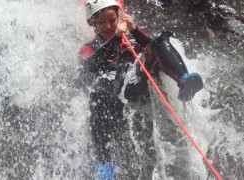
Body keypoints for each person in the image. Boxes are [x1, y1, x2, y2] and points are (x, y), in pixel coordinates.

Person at [78, 0, 203, 179]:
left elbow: (153, 48)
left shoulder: (130, 39)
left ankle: (183, 79)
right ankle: (105, 165)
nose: (107, 26)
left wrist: (135, 30)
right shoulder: (89, 48)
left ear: (119, 18)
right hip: (115, 94)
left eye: (112, 21)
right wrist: (115, 38)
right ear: (93, 23)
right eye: (102, 22)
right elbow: (88, 66)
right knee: (97, 92)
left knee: (160, 41)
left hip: (138, 83)